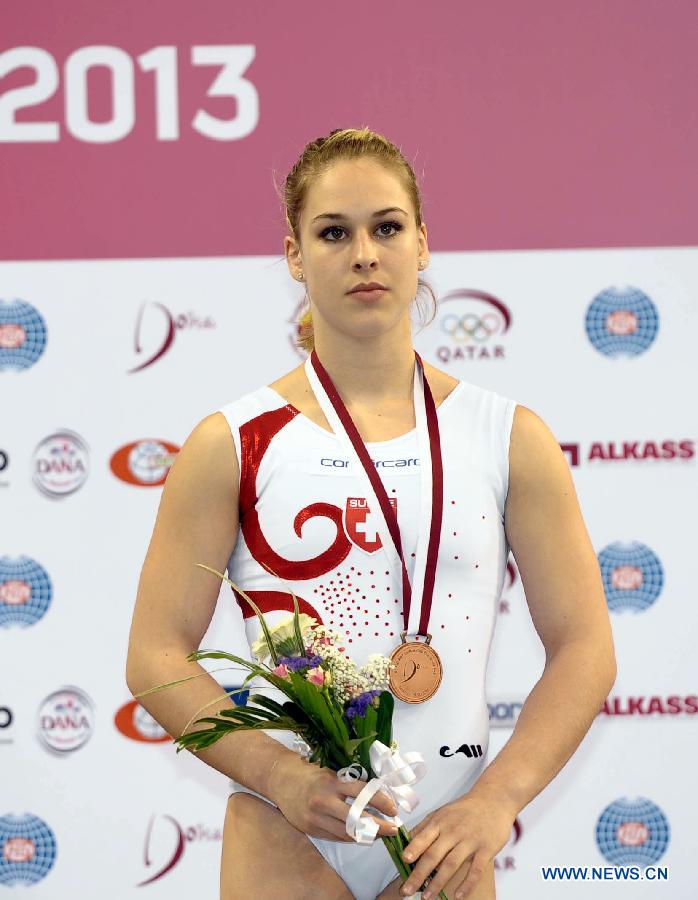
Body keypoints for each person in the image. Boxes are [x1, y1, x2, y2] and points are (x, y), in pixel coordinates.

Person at [126, 127, 617, 900]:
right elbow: (155, 657)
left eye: (387, 227)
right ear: (294, 254)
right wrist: (280, 777)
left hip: (444, 843)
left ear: (422, 243)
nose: (364, 252)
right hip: (288, 832)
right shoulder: (233, 442)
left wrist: (496, 802)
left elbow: (586, 646)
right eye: (333, 232)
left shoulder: (507, 436)